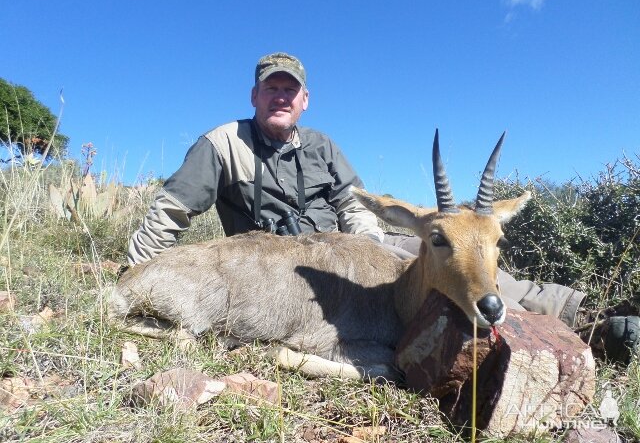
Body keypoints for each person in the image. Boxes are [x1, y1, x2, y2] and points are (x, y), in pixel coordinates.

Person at [128, 52, 637, 356]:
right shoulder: (222, 143)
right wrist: (135, 270)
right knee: (433, 258)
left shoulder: (322, 146)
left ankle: (587, 317)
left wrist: (368, 247)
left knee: (454, 249)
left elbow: (357, 205)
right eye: (271, 89)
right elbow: (172, 210)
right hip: (280, 265)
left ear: (305, 99)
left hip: (350, 246)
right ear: (254, 95)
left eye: (291, 90)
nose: (281, 96)